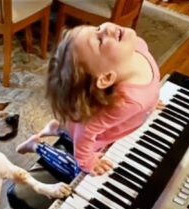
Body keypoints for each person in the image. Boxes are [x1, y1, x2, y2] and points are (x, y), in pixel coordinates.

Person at [17, 22, 163, 179]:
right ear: (106, 77)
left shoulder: (138, 45)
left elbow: (150, 84)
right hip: (93, 136)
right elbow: (86, 131)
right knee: (77, 172)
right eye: (100, 41)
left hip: (88, 123)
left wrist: (151, 101)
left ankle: (59, 127)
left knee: (77, 126)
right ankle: (36, 145)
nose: (106, 28)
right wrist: (86, 162)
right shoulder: (124, 102)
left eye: (97, 29)